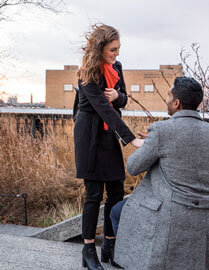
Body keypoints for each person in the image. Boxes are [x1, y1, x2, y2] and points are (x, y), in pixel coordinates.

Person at [112, 76, 209, 270]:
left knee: (117, 212)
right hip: (207, 210)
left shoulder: (161, 130)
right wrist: (157, 143)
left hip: (171, 210)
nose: (166, 100)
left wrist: (150, 144)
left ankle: (134, 262)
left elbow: (133, 167)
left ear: (176, 103)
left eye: (168, 96)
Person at [73, 24, 143, 270]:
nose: (116, 54)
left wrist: (119, 97)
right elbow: (102, 109)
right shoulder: (87, 73)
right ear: (100, 48)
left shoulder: (117, 68)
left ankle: (111, 247)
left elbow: (121, 98)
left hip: (108, 133)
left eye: (118, 49)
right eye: (113, 49)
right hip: (90, 136)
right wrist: (131, 138)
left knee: (116, 190)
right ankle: (89, 249)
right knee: (93, 194)